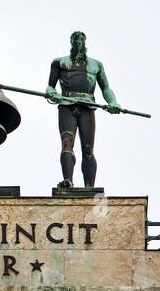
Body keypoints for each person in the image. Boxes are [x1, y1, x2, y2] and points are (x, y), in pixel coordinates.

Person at [46, 31, 120, 188]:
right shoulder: (59, 62)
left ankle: (89, 187)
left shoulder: (96, 65)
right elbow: (50, 87)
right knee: (67, 142)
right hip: (67, 105)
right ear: (71, 42)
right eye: (75, 41)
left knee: (88, 149)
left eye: (81, 41)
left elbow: (106, 88)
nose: (78, 43)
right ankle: (68, 181)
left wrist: (113, 102)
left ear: (85, 43)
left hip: (87, 107)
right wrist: (53, 94)